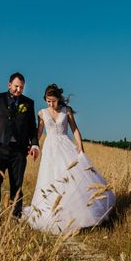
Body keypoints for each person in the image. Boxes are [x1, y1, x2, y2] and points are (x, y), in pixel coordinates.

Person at [23, 84, 115, 234]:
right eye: (48, 101)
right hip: (50, 149)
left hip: (66, 146)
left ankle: (77, 214)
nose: (51, 104)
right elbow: (39, 132)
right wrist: (33, 146)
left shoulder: (67, 111)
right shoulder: (42, 113)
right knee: (51, 179)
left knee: (72, 179)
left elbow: (75, 129)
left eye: (53, 101)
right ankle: (51, 215)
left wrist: (80, 146)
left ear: (59, 99)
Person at [0, 72, 40, 218]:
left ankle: (16, 217)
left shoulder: (28, 103)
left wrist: (35, 144)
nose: (19, 90)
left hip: (18, 150)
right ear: (9, 85)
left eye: (22, 87)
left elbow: (32, 127)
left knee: (17, 184)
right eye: (16, 86)